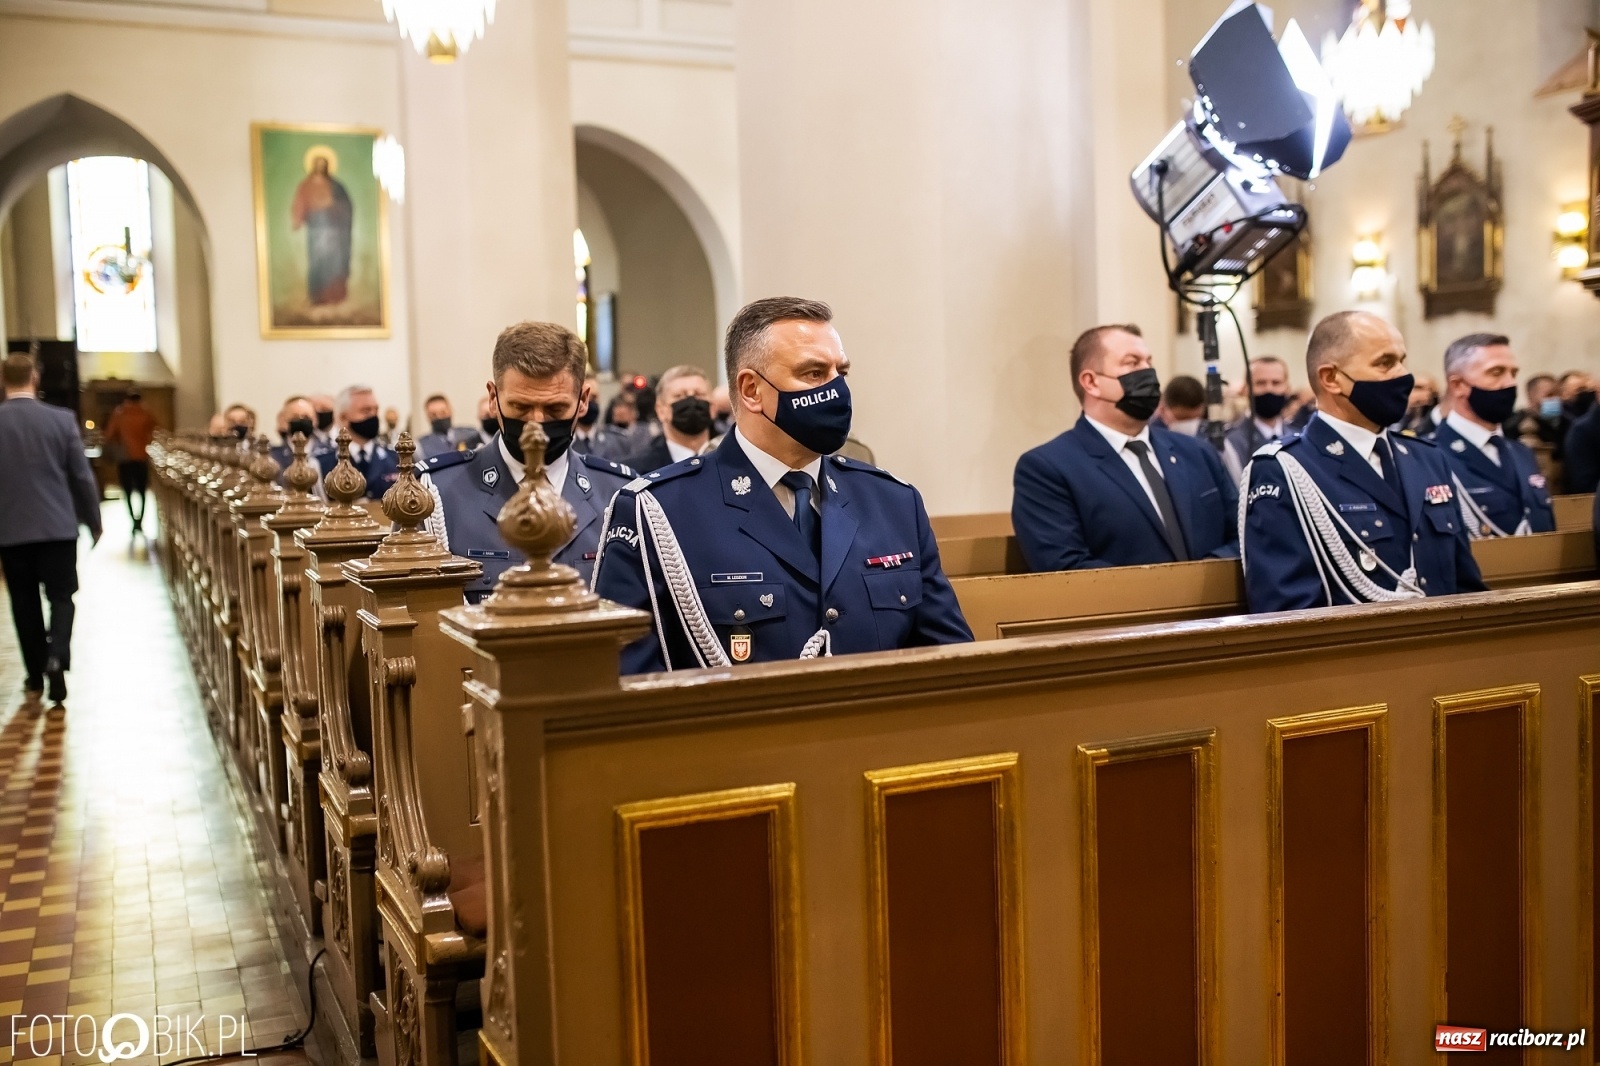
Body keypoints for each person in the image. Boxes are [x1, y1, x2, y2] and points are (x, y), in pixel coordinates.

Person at [593, 296, 972, 674]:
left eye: (841, 372)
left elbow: (954, 664)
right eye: (814, 374)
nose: (837, 390)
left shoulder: (893, 503)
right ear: (751, 390)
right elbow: (627, 680)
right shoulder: (660, 511)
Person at [1239, 311, 1485, 613]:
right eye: (1385, 363)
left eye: (1402, 360)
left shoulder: (1427, 458)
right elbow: (1288, 612)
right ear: (1331, 378)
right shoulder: (1285, 469)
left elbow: (1467, 588)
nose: (1403, 375)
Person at [420, 322, 636, 604]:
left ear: (583, 401)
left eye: (555, 408)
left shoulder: (620, 496)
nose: (536, 422)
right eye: (520, 407)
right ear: (493, 398)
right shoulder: (435, 496)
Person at [1011, 324, 1239, 572]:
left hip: (1215, 595)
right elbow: (1064, 567)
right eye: (1132, 363)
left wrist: (1205, 577)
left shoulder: (1197, 452)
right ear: (1091, 382)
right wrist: (1168, 588)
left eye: (1149, 361)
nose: (1148, 372)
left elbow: (1243, 534)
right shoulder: (1048, 468)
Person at [0, 352, 103, 707]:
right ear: (35, 377)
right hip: (57, 526)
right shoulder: (60, 419)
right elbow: (80, 476)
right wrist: (94, 520)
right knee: (61, 597)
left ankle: (34, 673)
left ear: (3, 380)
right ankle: (57, 655)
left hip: (11, 529)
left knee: (23, 601)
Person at [1431, 333, 1554, 538]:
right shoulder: (1429, 457)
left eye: (1513, 373)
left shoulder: (1521, 452)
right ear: (1458, 385)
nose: (1510, 383)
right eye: (1496, 373)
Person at [626, 365, 714, 473]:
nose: (691, 401)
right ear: (660, 410)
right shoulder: (635, 471)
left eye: (699, 394)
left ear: (713, 407)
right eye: (679, 396)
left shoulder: (731, 460)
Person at [1221, 356, 1296, 482]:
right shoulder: (1230, 443)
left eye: (1276, 383)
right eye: (1261, 383)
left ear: (1287, 388)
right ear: (1246, 389)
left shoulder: (1298, 438)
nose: (1269, 389)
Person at [316, 385, 397, 499]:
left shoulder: (394, 458)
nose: (373, 416)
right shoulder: (322, 463)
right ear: (343, 418)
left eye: (375, 410)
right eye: (366, 411)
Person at [102, 388, 158, 534]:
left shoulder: (119, 413)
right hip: (141, 457)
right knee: (142, 490)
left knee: (127, 491)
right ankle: (140, 520)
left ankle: (133, 520)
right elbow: (155, 430)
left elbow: (109, 435)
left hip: (125, 458)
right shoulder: (146, 413)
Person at [418, 394, 483, 458]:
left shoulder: (471, 434)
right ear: (428, 417)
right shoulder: (422, 446)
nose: (439, 417)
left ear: (450, 411)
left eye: (443, 413)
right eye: (434, 415)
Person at [269, 396, 319, 473]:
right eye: (295, 417)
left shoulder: (329, 454)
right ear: (284, 421)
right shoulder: (273, 456)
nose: (301, 420)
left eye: (306, 417)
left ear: (315, 420)